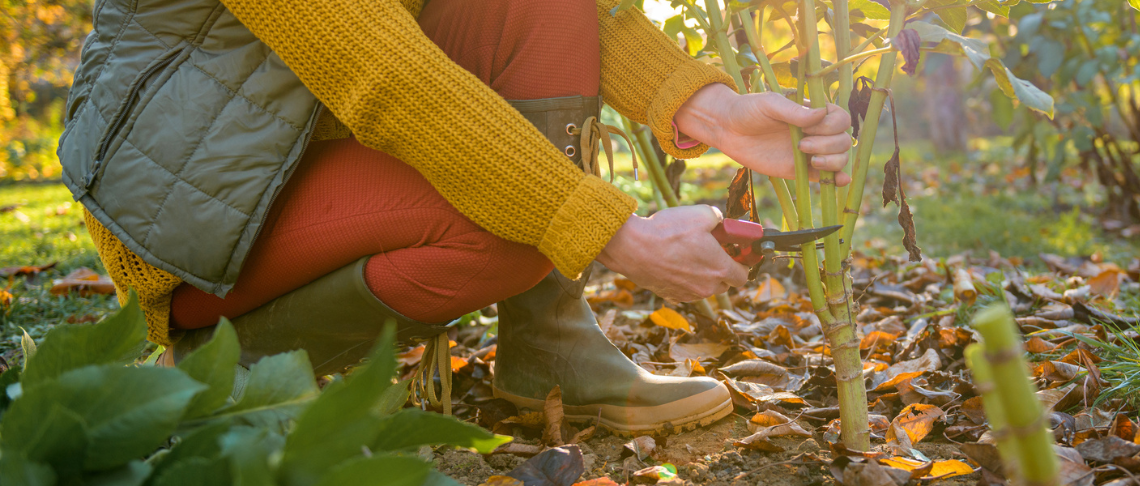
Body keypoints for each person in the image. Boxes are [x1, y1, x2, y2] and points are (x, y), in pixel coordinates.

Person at [61, 0, 852, 435]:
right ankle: (223, 354)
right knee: (509, 234)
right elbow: (387, 74)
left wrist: (710, 108)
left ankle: (549, 345)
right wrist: (615, 235)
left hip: (301, 140)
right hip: (194, 209)